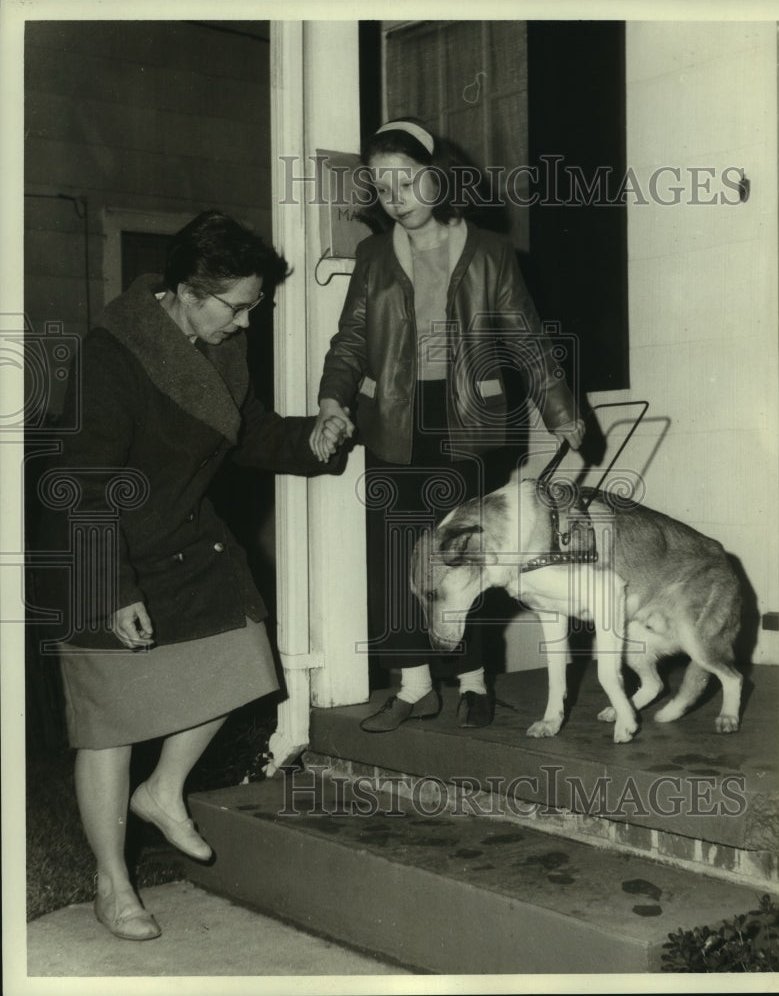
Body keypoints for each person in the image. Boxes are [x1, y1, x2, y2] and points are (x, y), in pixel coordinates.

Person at [37, 211, 349, 941]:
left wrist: (311, 436)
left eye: (251, 309)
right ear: (184, 291)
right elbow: (81, 483)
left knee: (243, 657)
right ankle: (113, 884)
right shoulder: (110, 356)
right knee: (109, 726)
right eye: (235, 307)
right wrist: (113, 590)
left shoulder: (215, 346)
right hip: (100, 548)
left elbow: (245, 434)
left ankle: (163, 791)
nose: (243, 324)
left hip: (183, 543)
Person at [310, 118, 585, 734]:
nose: (396, 196)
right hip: (393, 420)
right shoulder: (373, 255)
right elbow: (352, 339)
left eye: (406, 180)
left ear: (438, 176)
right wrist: (333, 400)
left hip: (469, 420)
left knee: (465, 556)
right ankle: (412, 686)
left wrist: (561, 411)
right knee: (394, 554)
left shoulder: (489, 251)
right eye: (383, 187)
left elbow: (527, 338)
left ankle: (471, 681)